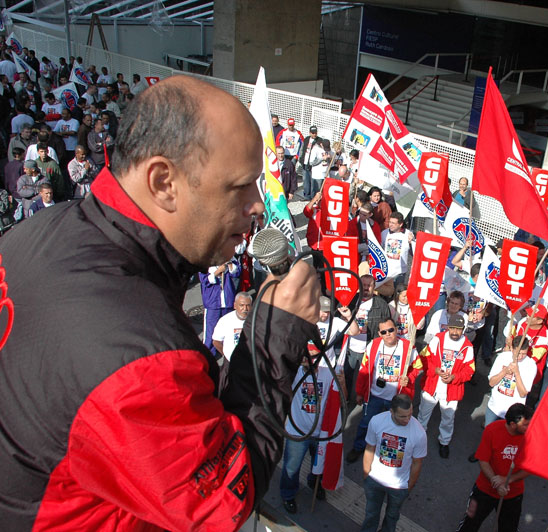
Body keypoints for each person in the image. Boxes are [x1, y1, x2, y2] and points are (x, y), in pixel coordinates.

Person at [0, 75, 323, 530]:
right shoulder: (140, 356)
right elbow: (227, 499)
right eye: (242, 185)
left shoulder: (37, 232)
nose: (257, 205)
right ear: (164, 182)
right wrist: (276, 335)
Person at [279, 337, 341, 514]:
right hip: (297, 431)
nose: (310, 360)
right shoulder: (292, 373)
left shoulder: (328, 373)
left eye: (315, 356)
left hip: (320, 433)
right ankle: (288, 494)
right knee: (291, 466)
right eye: (307, 357)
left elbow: (338, 398)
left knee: (318, 464)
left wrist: (342, 384)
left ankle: (315, 484)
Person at [346, 318, 420, 463]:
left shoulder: (408, 347)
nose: (388, 334)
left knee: (394, 427)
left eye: (391, 330)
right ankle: (359, 447)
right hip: (374, 395)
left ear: (396, 329)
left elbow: (417, 367)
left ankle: (385, 452)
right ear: (379, 333)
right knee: (365, 423)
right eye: (384, 332)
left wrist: (409, 378)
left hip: (396, 398)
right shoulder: (373, 345)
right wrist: (360, 392)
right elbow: (364, 370)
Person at [456, 403, 533, 532]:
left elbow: (529, 467)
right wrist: (496, 482)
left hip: (513, 494)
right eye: (526, 424)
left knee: (509, 528)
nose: (529, 427)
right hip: (484, 490)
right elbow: (483, 460)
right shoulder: (492, 430)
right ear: (513, 425)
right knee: (470, 524)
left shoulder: (531, 437)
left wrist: (507, 480)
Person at [361, 394, 426, 532]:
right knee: (371, 514)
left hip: (399, 487)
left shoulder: (419, 433)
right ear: (391, 411)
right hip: (375, 481)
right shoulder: (377, 421)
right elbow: (370, 448)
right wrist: (367, 474)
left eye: (410, 414)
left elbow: (417, 463)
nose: (407, 419)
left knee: (392, 517)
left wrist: (408, 487)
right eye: (402, 416)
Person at [417, 314, 475, 459]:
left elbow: (469, 371)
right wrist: (435, 370)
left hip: (452, 389)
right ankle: (418, 438)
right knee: (423, 414)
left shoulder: (467, 347)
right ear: (448, 327)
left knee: (448, 418)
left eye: (459, 329)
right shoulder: (437, 339)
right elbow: (424, 358)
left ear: (463, 329)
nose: (455, 332)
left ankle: (444, 442)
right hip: (432, 385)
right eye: (453, 328)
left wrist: (454, 377)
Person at [199, 259, 241, 357]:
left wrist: (229, 265)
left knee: (228, 328)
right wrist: (217, 272)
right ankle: (209, 354)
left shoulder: (229, 258)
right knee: (210, 331)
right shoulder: (205, 263)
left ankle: (227, 351)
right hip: (213, 303)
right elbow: (204, 280)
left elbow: (237, 272)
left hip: (227, 301)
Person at [211, 292, 252, 362]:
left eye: (248, 305)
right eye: (241, 305)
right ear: (235, 306)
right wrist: (227, 355)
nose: (245, 309)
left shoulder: (256, 320)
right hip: (232, 362)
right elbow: (216, 341)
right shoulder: (225, 320)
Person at [381, 211, 414, 281]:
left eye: (393, 223)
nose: (390, 225)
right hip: (386, 271)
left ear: (400, 224)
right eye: (390, 222)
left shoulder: (408, 234)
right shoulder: (384, 233)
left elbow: (414, 253)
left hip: (400, 272)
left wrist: (411, 243)